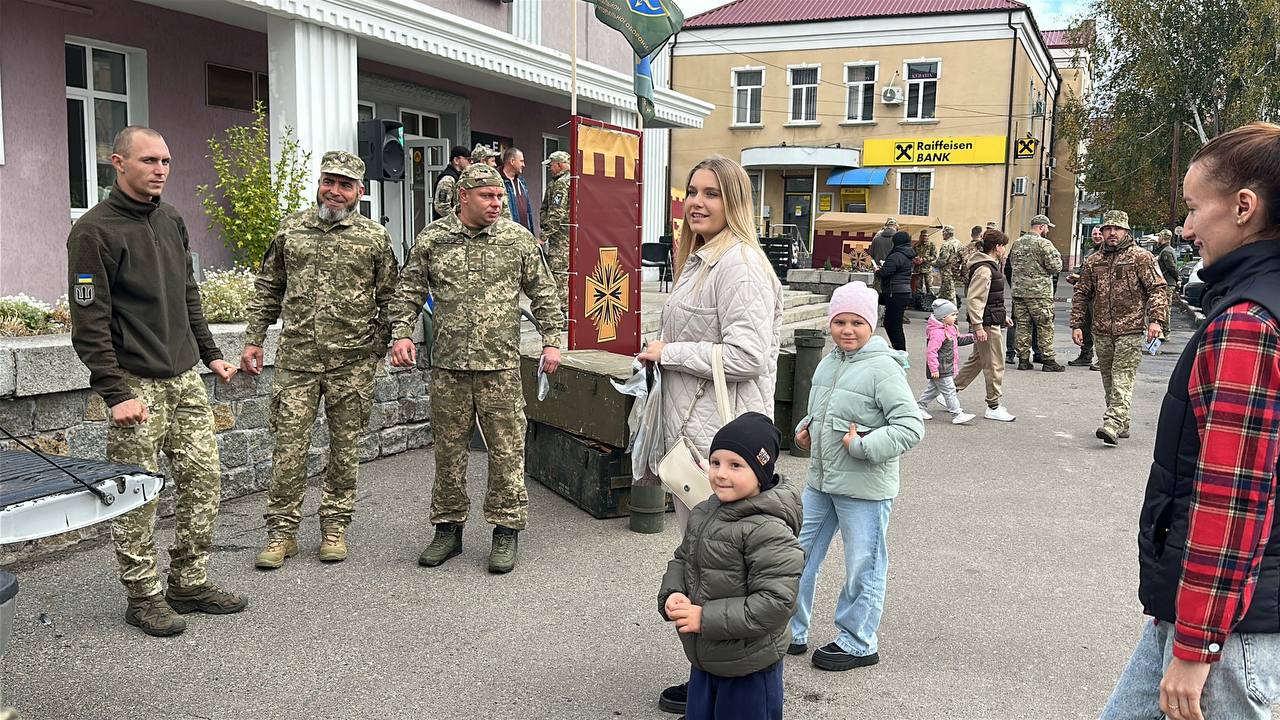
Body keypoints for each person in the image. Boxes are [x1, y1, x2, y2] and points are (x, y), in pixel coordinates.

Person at [1099, 121, 1280, 720]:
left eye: (1195, 208)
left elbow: (1233, 496)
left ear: (1244, 207)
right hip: (1220, 611)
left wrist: (1199, 640)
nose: (1185, 228)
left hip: (1228, 634)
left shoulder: (1248, 323)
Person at [66, 125, 246, 637]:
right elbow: (89, 321)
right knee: (137, 493)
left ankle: (188, 583)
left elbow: (189, 294)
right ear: (118, 163)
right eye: (149, 160)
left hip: (185, 377)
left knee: (204, 481)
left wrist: (211, 355)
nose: (160, 170)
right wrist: (114, 392)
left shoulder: (171, 219)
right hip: (135, 382)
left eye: (165, 161)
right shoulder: (93, 232)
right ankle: (143, 596)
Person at [643, 155, 783, 717]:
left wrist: (669, 351)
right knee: (708, 564)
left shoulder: (738, 263)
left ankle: (733, 682)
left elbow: (748, 355)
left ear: (735, 202)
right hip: (698, 438)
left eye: (712, 193)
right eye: (692, 191)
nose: (697, 203)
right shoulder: (701, 258)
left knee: (726, 569)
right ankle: (709, 676)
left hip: (721, 445)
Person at [388, 163, 562, 574]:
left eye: (500, 196)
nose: (497, 203)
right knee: (448, 452)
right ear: (463, 196)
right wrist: (401, 333)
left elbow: (544, 292)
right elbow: (409, 290)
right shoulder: (434, 238)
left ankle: (505, 530)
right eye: (487, 196)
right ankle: (448, 530)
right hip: (449, 368)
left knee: (506, 451)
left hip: (500, 367)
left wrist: (552, 339)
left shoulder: (516, 240)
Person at [242, 150, 399, 569]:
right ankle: (281, 533)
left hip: (352, 364)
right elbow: (268, 287)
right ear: (319, 184)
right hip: (297, 361)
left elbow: (392, 299)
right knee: (288, 450)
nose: (335, 191)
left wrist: (375, 348)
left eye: (345, 185)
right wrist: (254, 339)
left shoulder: (373, 238)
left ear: (359, 192)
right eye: (329, 182)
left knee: (345, 450)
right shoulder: (291, 229)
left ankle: (334, 526)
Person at [789, 281, 924, 671]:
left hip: (864, 489)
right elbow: (825, 411)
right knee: (794, 555)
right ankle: (791, 630)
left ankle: (858, 641)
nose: (847, 330)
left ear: (872, 324)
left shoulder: (883, 368)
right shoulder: (829, 362)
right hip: (821, 482)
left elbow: (911, 427)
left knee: (863, 565)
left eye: (857, 322)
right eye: (839, 322)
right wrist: (805, 429)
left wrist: (863, 446)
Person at [658, 413, 804, 720]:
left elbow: (776, 602)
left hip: (749, 665)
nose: (721, 474)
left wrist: (704, 618)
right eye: (715, 462)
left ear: (761, 472)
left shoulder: (769, 530)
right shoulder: (705, 511)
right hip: (707, 656)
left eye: (736, 465)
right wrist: (673, 593)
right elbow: (684, 559)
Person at [1069, 210, 1168, 446]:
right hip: (1101, 330)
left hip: (1130, 329)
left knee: (1122, 376)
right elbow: (1082, 294)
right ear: (1102, 231)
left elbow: (1157, 289)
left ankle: (1112, 423)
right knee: (1109, 379)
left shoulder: (1141, 258)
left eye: (1117, 229)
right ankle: (1122, 422)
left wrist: (1156, 320)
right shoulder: (1094, 261)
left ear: (1126, 231)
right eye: (1108, 229)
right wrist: (1077, 324)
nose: (1112, 233)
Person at [954, 229, 1017, 422]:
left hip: (990, 320)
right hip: (987, 324)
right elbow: (975, 299)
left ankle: (949, 391)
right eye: (1003, 246)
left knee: (979, 360)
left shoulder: (989, 266)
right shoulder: (984, 269)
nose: (1004, 250)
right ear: (997, 247)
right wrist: (979, 326)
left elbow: (992, 298)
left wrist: (1002, 317)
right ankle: (993, 405)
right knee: (995, 365)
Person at [1009, 214, 1065, 371]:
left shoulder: (1017, 243)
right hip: (1039, 293)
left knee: (1022, 326)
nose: (1048, 230)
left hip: (1019, 292)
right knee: (1045, 325)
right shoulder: (1044, 243)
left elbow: (1011, 263)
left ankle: (1023, 360)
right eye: (1047, 227)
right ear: (1041, 227)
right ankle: (1048, 360)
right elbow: (1055, 267)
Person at [917, 299, 976, 425]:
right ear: (943, 317)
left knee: (933, 390)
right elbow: (931, 352)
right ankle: (957, 414)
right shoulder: (937, 333)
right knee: (950, 390)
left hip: (945, 366)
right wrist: (934, 369)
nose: (956, 317)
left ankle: (919, 407)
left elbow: (957, 341)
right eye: (953, 314)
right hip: (940, 368)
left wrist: (973, 338)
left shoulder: (950, 328)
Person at [539, 150, 571, 318]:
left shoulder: (562, 184)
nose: (550, 168)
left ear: (559, 165)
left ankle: (563, 313)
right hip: (568, 237)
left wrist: (543, 236)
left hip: (561, 239)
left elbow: (556, 213)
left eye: (551, 165)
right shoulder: (566, 180)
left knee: (558, 275)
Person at [1067, 227, 1104, 368]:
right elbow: (1083, 269)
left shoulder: (1108, 253)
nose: (1097, 236)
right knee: (1085, 325)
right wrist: (1075, 277)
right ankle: (1086, 354)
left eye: (1100, 233)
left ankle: (1103, 358)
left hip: (1100, 297)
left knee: (1100, 328)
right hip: (1087, 295)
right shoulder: (1090, 252)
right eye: (1095, 234)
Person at [875, 231, 916, 351]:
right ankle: (898, 349)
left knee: (893, 325)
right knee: (891, 323)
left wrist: (877, 271)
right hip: (902, 292)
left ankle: (901, 352)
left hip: (895, 292)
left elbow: (885, 273)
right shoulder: (907, 254)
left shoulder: (897, 255)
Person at [1156, 228, 1193, 340]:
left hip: (1167, 283)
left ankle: (1165, 332)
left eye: (1159, 236)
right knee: (1163, 307)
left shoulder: (1166, 251)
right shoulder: (1167, 250)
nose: (1158, 238)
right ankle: (1163, 331)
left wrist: (1178, 278)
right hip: (1168, 282)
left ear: (1164, 237)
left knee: (1165, 307)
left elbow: (1171, 267)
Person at [499, 146, 535, 231]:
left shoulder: (521, 182)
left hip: (524, 233)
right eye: (521, 161)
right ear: (512, 161)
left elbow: (528, 210)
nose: (523, 165)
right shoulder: (498, 181)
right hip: (507, 233)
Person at [432, 145, 472, 220]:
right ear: (456, 160)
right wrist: (458, 219)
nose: (471, 162)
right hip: (447, 224)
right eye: (468, 159)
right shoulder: (448, 179)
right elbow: (441, 206)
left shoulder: (458, 176)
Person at [934, 225, 965, 308]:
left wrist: (931, 263)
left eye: (943, 232)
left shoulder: (946, 245)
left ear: (947, 233)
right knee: (943, 293)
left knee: (950, 294)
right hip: (955, 271)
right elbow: (963, 258)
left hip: (946, 273)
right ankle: (940, 312)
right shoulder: (959, 243)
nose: (942, 234)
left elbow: (942, 261)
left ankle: (952, 312)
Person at [911, 227, 937, 301]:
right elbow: (912, 255)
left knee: (929, 286)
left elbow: (934, 256)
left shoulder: (931, 245)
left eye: (926, 236)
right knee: (918, 287)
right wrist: (915, 259)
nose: (925, 237)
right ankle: (919, 301)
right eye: (923, 236)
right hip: (918, 269)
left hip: (927, 269)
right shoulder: (916, 245)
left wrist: (924, 259)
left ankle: (930, 301)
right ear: (920, 236)